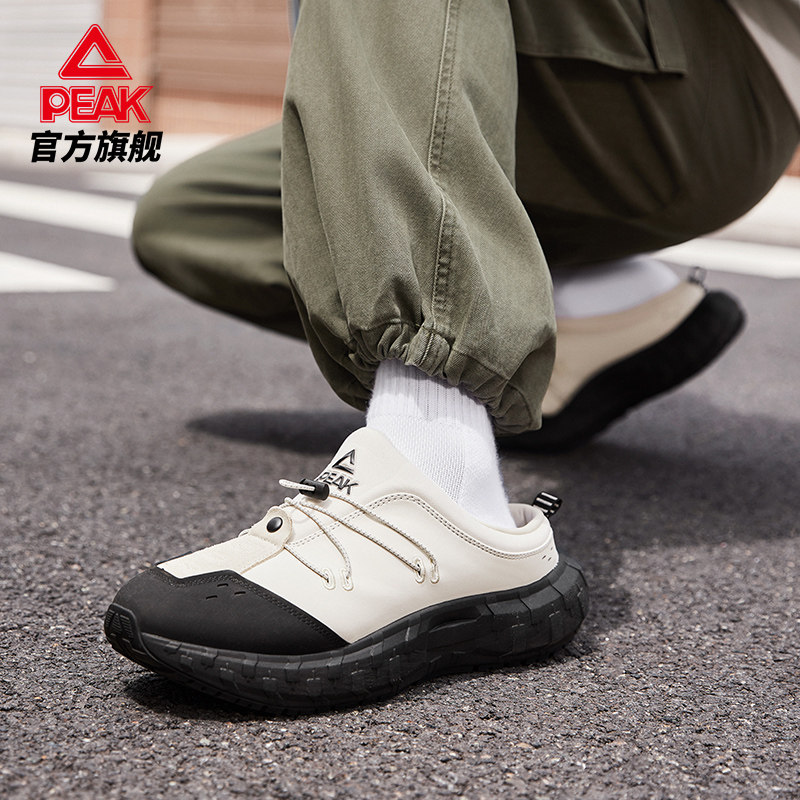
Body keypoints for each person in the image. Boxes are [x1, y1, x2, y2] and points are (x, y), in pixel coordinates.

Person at [104, 0, 800, 713]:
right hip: (525, 81)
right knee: (188, 218)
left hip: (704, 77)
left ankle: (437, 481)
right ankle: (594, 312)